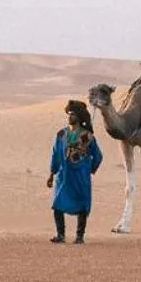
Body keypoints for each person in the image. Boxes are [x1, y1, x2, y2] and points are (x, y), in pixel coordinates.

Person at [46, 99, 103, 243]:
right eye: (69, 114)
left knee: (82, 205)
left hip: (80, 176)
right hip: (63, 176)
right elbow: (55, 154)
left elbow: (98, 156)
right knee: (58, 203)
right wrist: (52, 174)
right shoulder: (61, 135)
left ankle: (79, 237)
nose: (69, 117)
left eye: (72, 114)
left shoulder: (87, 136)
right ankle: (61, 235)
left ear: (79, 117)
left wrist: (88, 168)